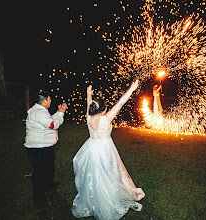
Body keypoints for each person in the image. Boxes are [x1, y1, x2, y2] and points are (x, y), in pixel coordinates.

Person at [72, 80, 145, 219]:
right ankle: (109, 200)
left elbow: (89, 106)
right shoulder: (106, 118)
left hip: (91, 148)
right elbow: (120, 103)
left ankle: (95, 199)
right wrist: (131, 89)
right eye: (106, 107)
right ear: (104, 109)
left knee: (94, 174)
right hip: (105, 149)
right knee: (110, 173)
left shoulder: (89, 117)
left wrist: (88, 94)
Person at [24, 91, 68, 204]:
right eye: (49, 100)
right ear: (44, 101)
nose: (50, 101)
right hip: (39, 148)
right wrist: (62, 113)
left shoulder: (40, 111)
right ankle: (39, 199)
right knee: (40, 172)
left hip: (44, 146)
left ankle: (48, 185)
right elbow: (53, 125)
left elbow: (49, 121)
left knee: (48, 167)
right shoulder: (39, 112)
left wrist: (58, 112)